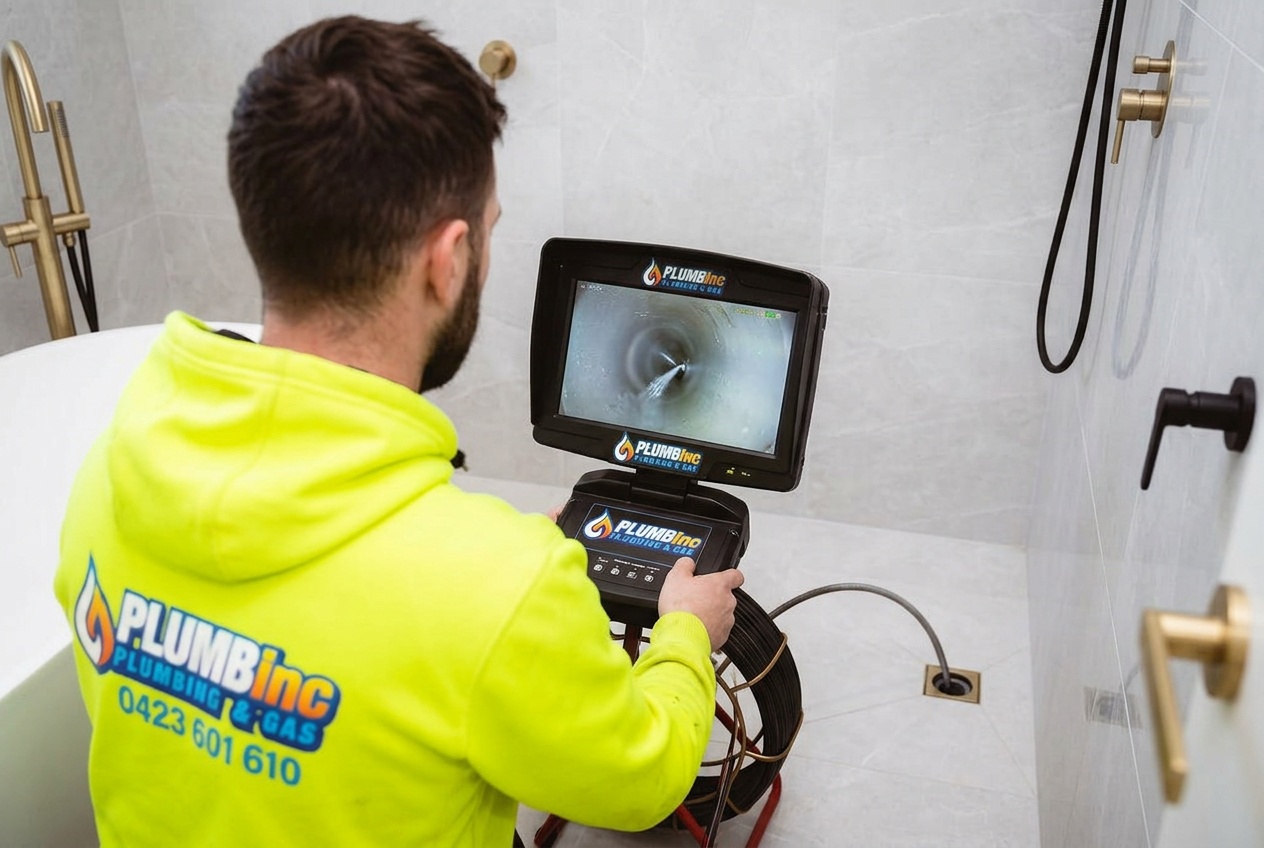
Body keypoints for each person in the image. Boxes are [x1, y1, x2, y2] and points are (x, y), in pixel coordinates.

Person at [53, 16, 744, 848]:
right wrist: (682, 631)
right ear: (446, 259)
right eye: (487, 232)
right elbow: (642, 782)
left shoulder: (110, 474)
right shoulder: (498, 585)